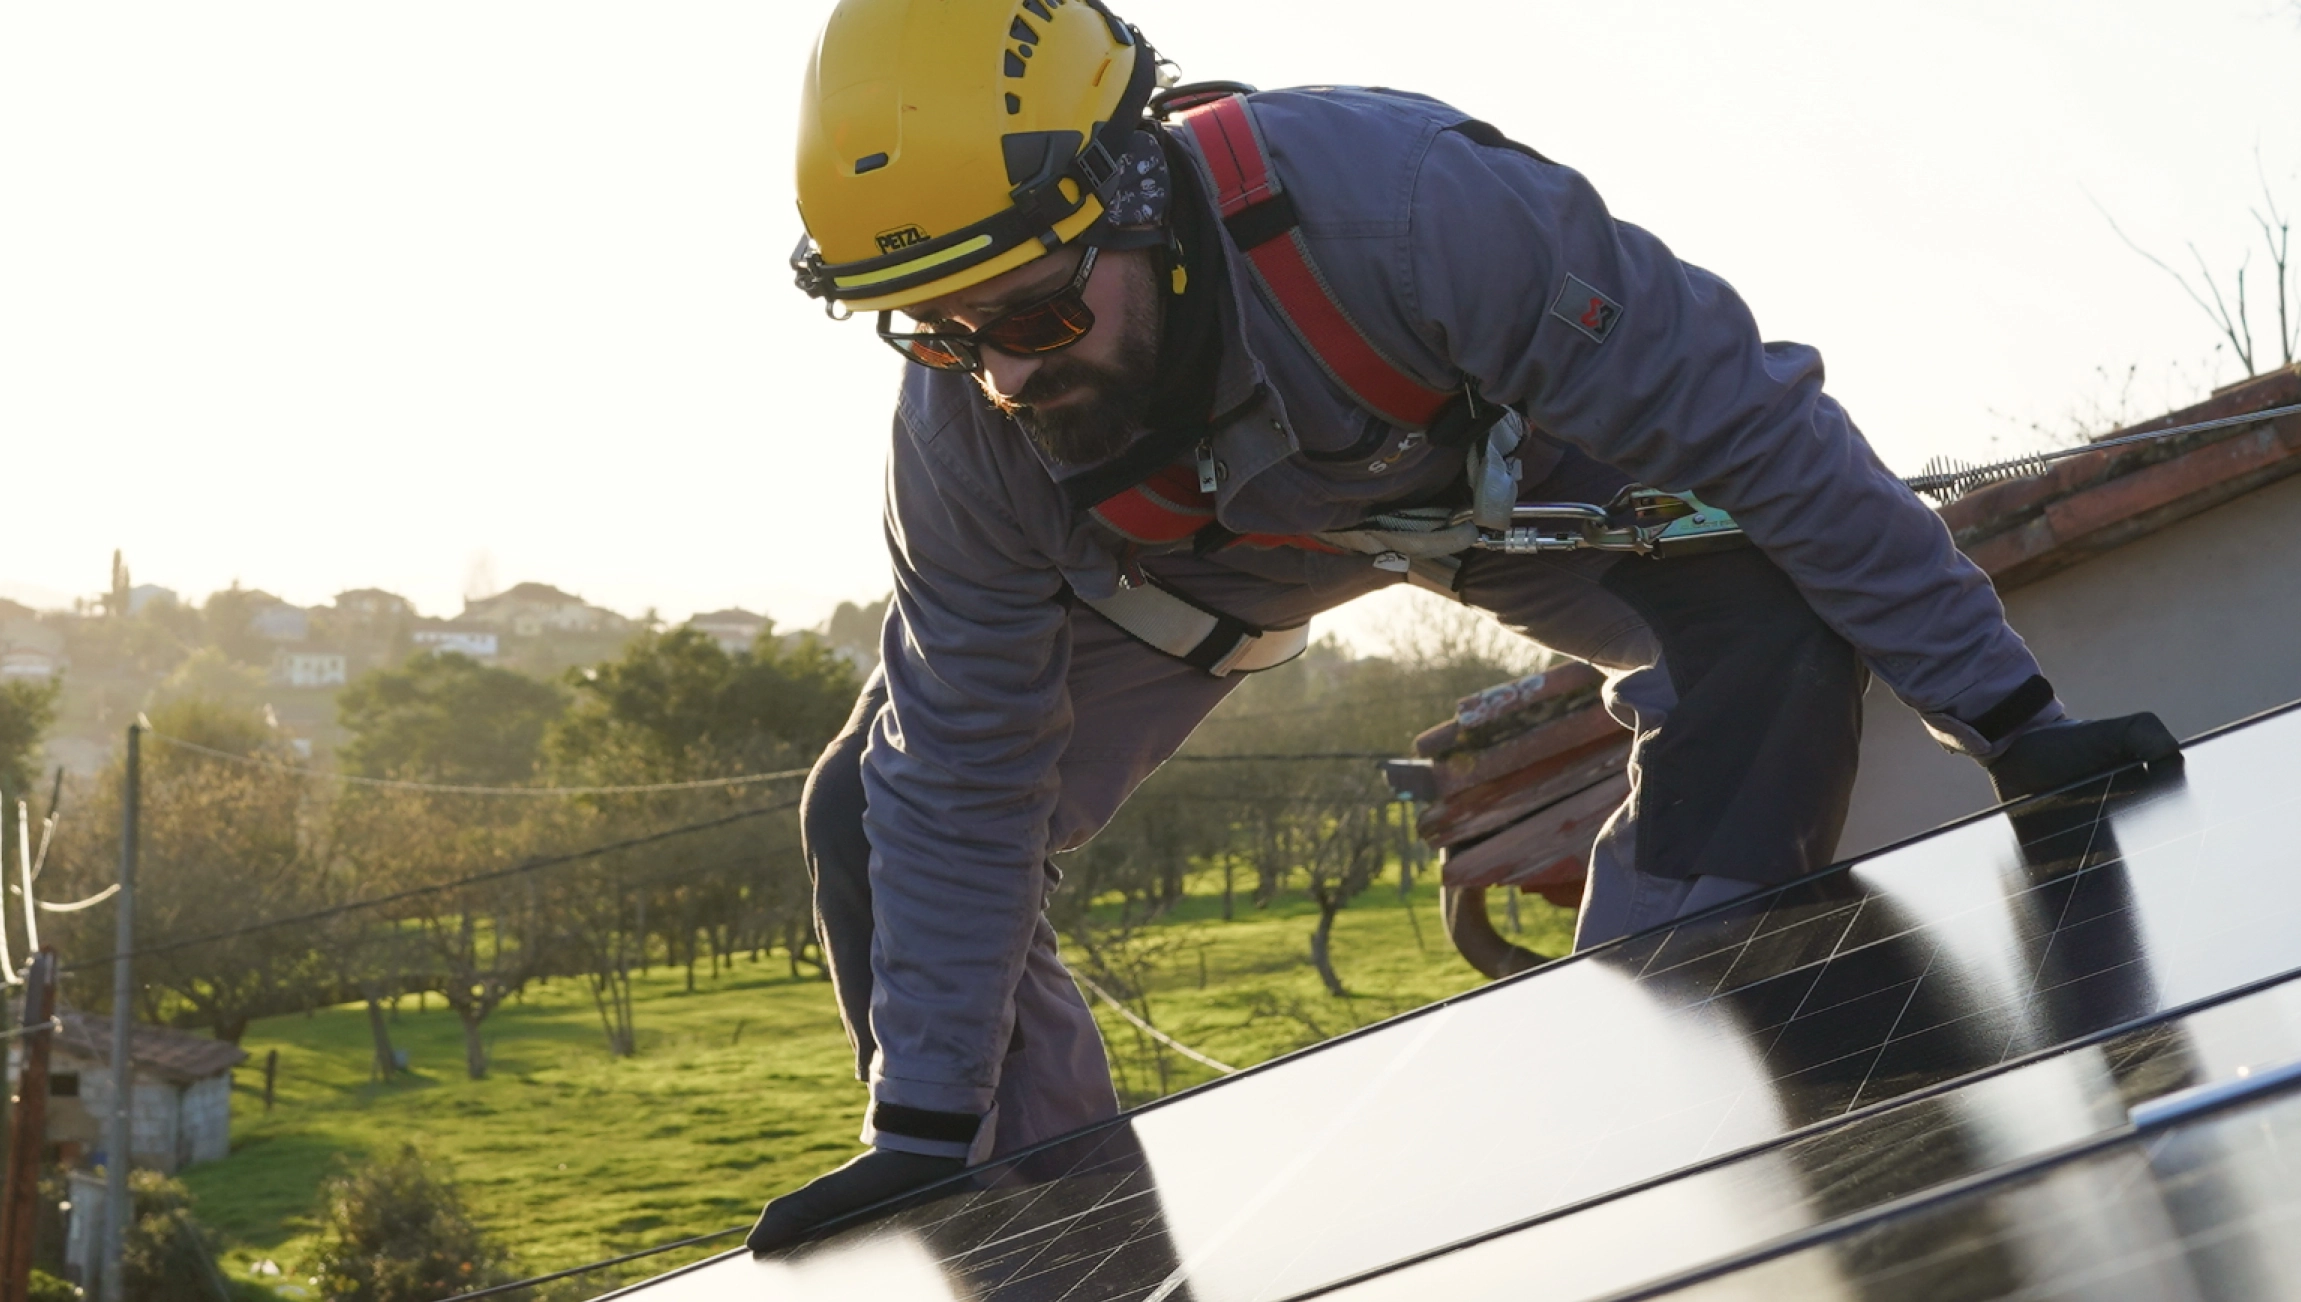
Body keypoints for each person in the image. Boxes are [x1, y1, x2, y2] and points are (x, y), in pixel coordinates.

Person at [747, 0, 2178, 1253]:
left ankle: (1655, 1099)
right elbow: (961, 771)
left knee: (1772, 615)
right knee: (867, 817)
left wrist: (2012, 723)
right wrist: (929, 1132)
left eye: (1035, 317)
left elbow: (1761, 434)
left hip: (1510, 495)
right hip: (1186, 574)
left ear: (1133, 199)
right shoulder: (965, 433)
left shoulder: (1416, 212)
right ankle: (1063, 1238)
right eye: (937, 331)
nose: (997, 371)